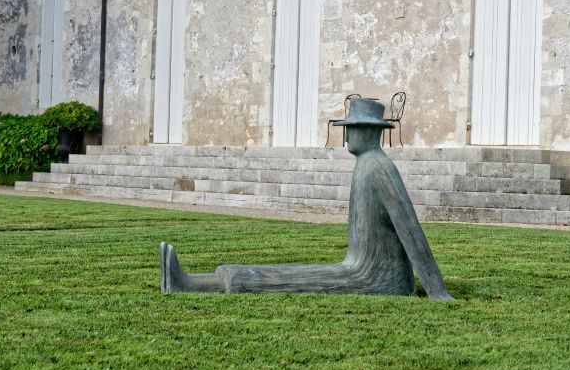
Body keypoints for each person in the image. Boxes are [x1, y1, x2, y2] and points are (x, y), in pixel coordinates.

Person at [160, 98, 453, 300]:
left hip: (376, 278)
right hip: (360, 269)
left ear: (368, 131)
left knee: (288, 279)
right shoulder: (367, 166)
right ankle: (198, 280)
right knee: (290, 272)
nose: (347, 134)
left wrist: (436, 290)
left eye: (352, 128)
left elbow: (411, 232)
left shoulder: (379, 168)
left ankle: (189, 284)